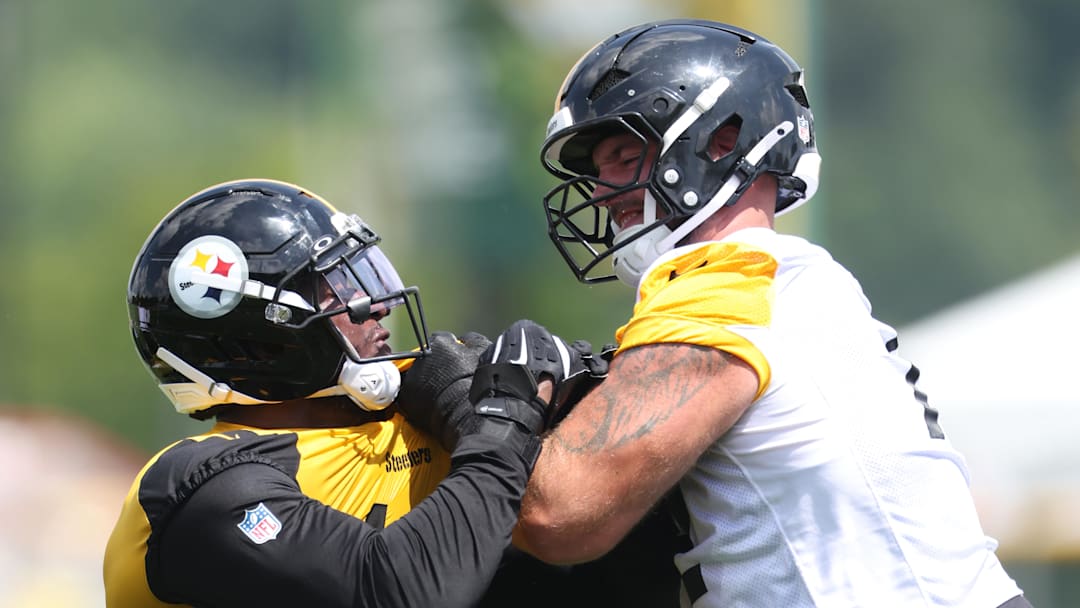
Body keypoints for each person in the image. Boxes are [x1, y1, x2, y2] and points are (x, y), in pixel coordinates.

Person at [515, 19, 1031, 607]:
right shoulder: (787, 283)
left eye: (625, 154)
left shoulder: (728, 282)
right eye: (598, 168)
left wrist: (487, 416)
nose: (603, 189)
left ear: (721, 139)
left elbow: (561, 511)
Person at [102, 178, 585, 608]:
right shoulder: (201, 490)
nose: (372, 304)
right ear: (260, 331)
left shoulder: (413, 406)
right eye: (333, 287)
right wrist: (502, 425)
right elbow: (402, 591)